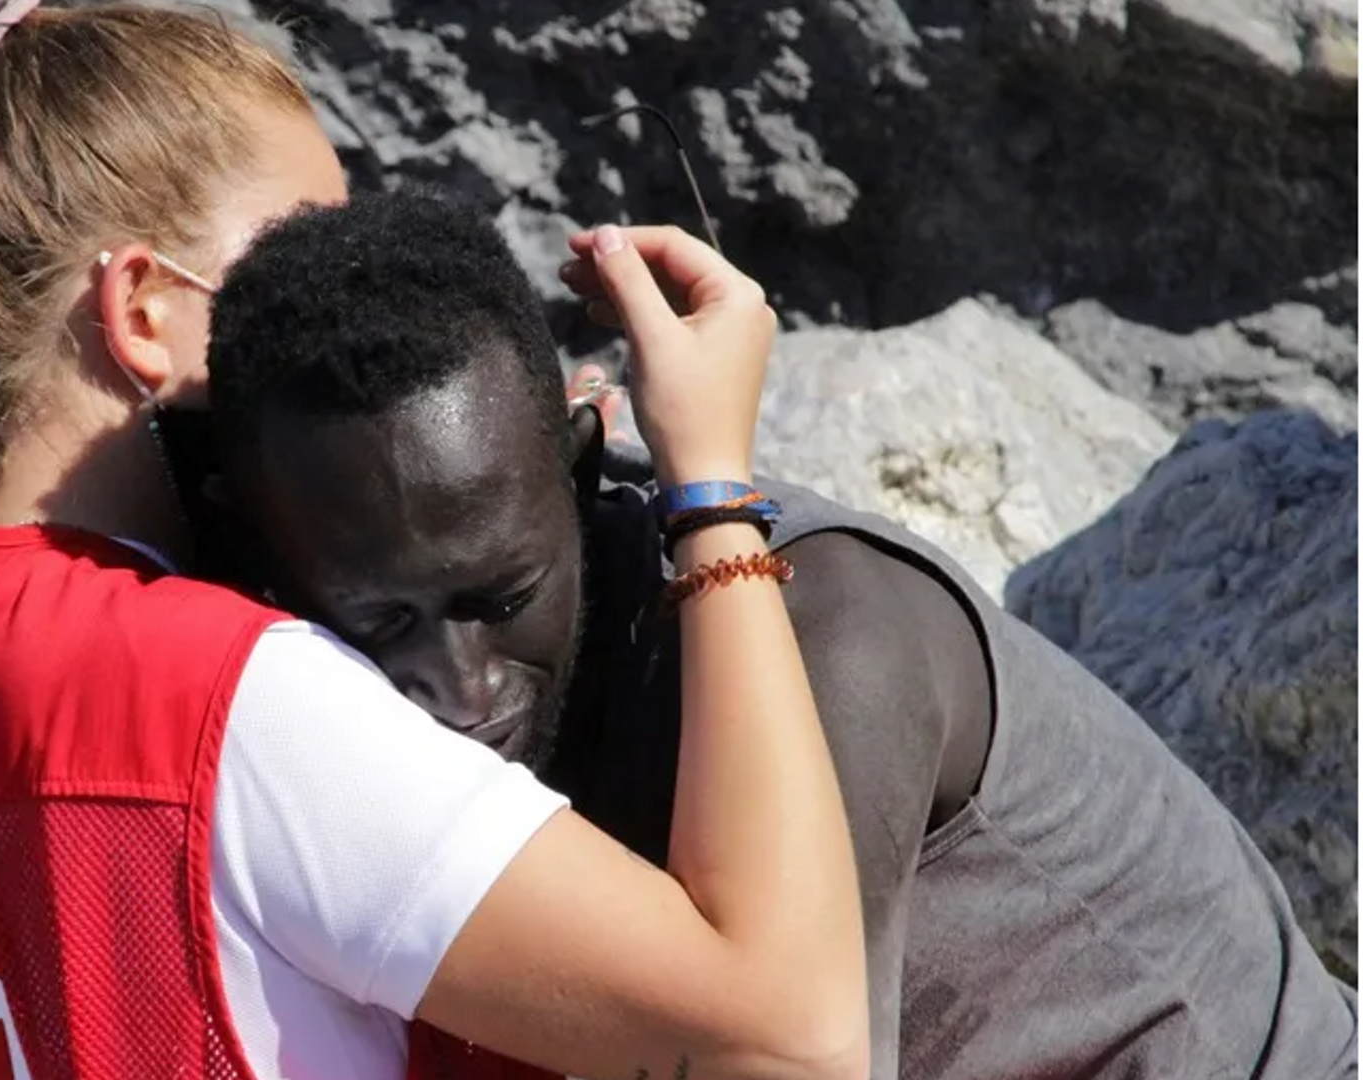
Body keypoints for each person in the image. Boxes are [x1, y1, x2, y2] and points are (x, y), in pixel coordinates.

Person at [0, 4, 870, 1080]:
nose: (347, 298)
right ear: (144, 312)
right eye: (297, 253)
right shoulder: (221, 698)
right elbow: (783, 1032)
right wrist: (711, 490)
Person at [204, 190, 1362, 1079]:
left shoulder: (825, 636)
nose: (455, 690)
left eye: (501, 603)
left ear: (580, 466)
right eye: (378, 624)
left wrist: (710, 486)